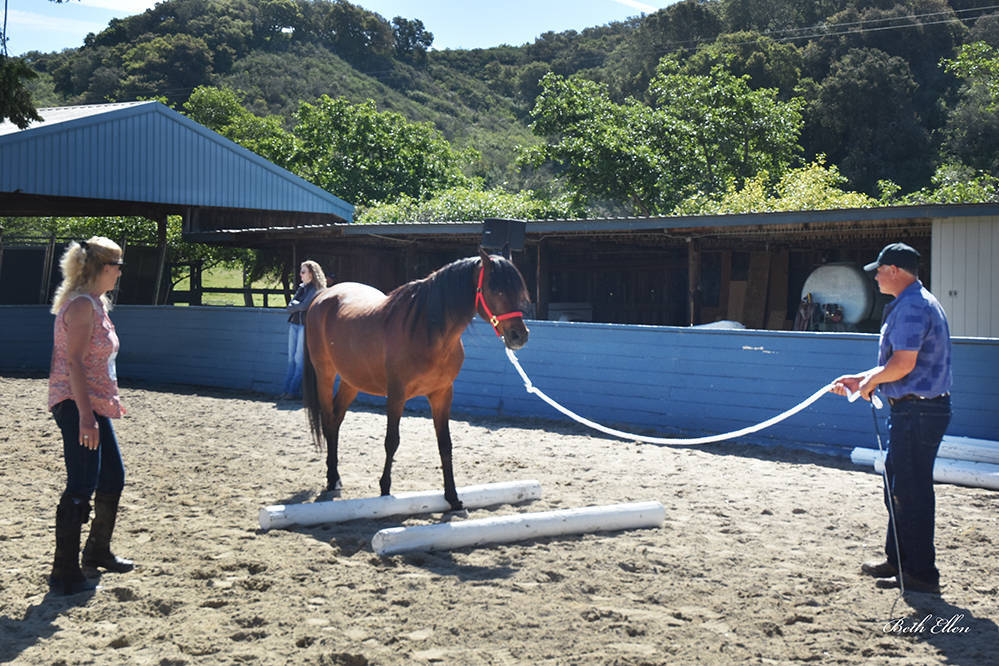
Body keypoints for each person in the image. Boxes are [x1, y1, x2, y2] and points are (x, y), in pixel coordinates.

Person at [830, 242, 952, 595]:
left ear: (895, 271)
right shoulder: (915, 302)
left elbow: (903, 364)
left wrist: (869, 382)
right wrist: (862, 378)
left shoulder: (912, 306)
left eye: (880, 270)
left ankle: (921, 573)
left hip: (918, 411)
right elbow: (897, 364)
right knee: (899, 488)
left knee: (909, 492)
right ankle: (900, 561)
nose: (876, 277)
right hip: (916, 409)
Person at [47, 237, 134, 595]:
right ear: (101, 268)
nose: (120, 273)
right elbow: (74, 363)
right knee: (82, 484)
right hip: (77, 403)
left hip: (94, 404)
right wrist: (85, 416)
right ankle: (63, 571)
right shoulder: (82, 306)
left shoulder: (97, 303)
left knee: (112, 477)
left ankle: (97, 550)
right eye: (118, 266)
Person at [280, 260, 327, 400]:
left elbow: (304, 306)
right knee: (291, 359)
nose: (300, 274)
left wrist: (296, 305)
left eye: (303, 272)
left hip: (305, 325)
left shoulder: (316, 289)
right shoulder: (302, 288)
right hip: (294, 324)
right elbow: (290, 306)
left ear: (311, 274)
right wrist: (297, 305)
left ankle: (292, 391)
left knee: (298, 359)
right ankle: (286, 389)